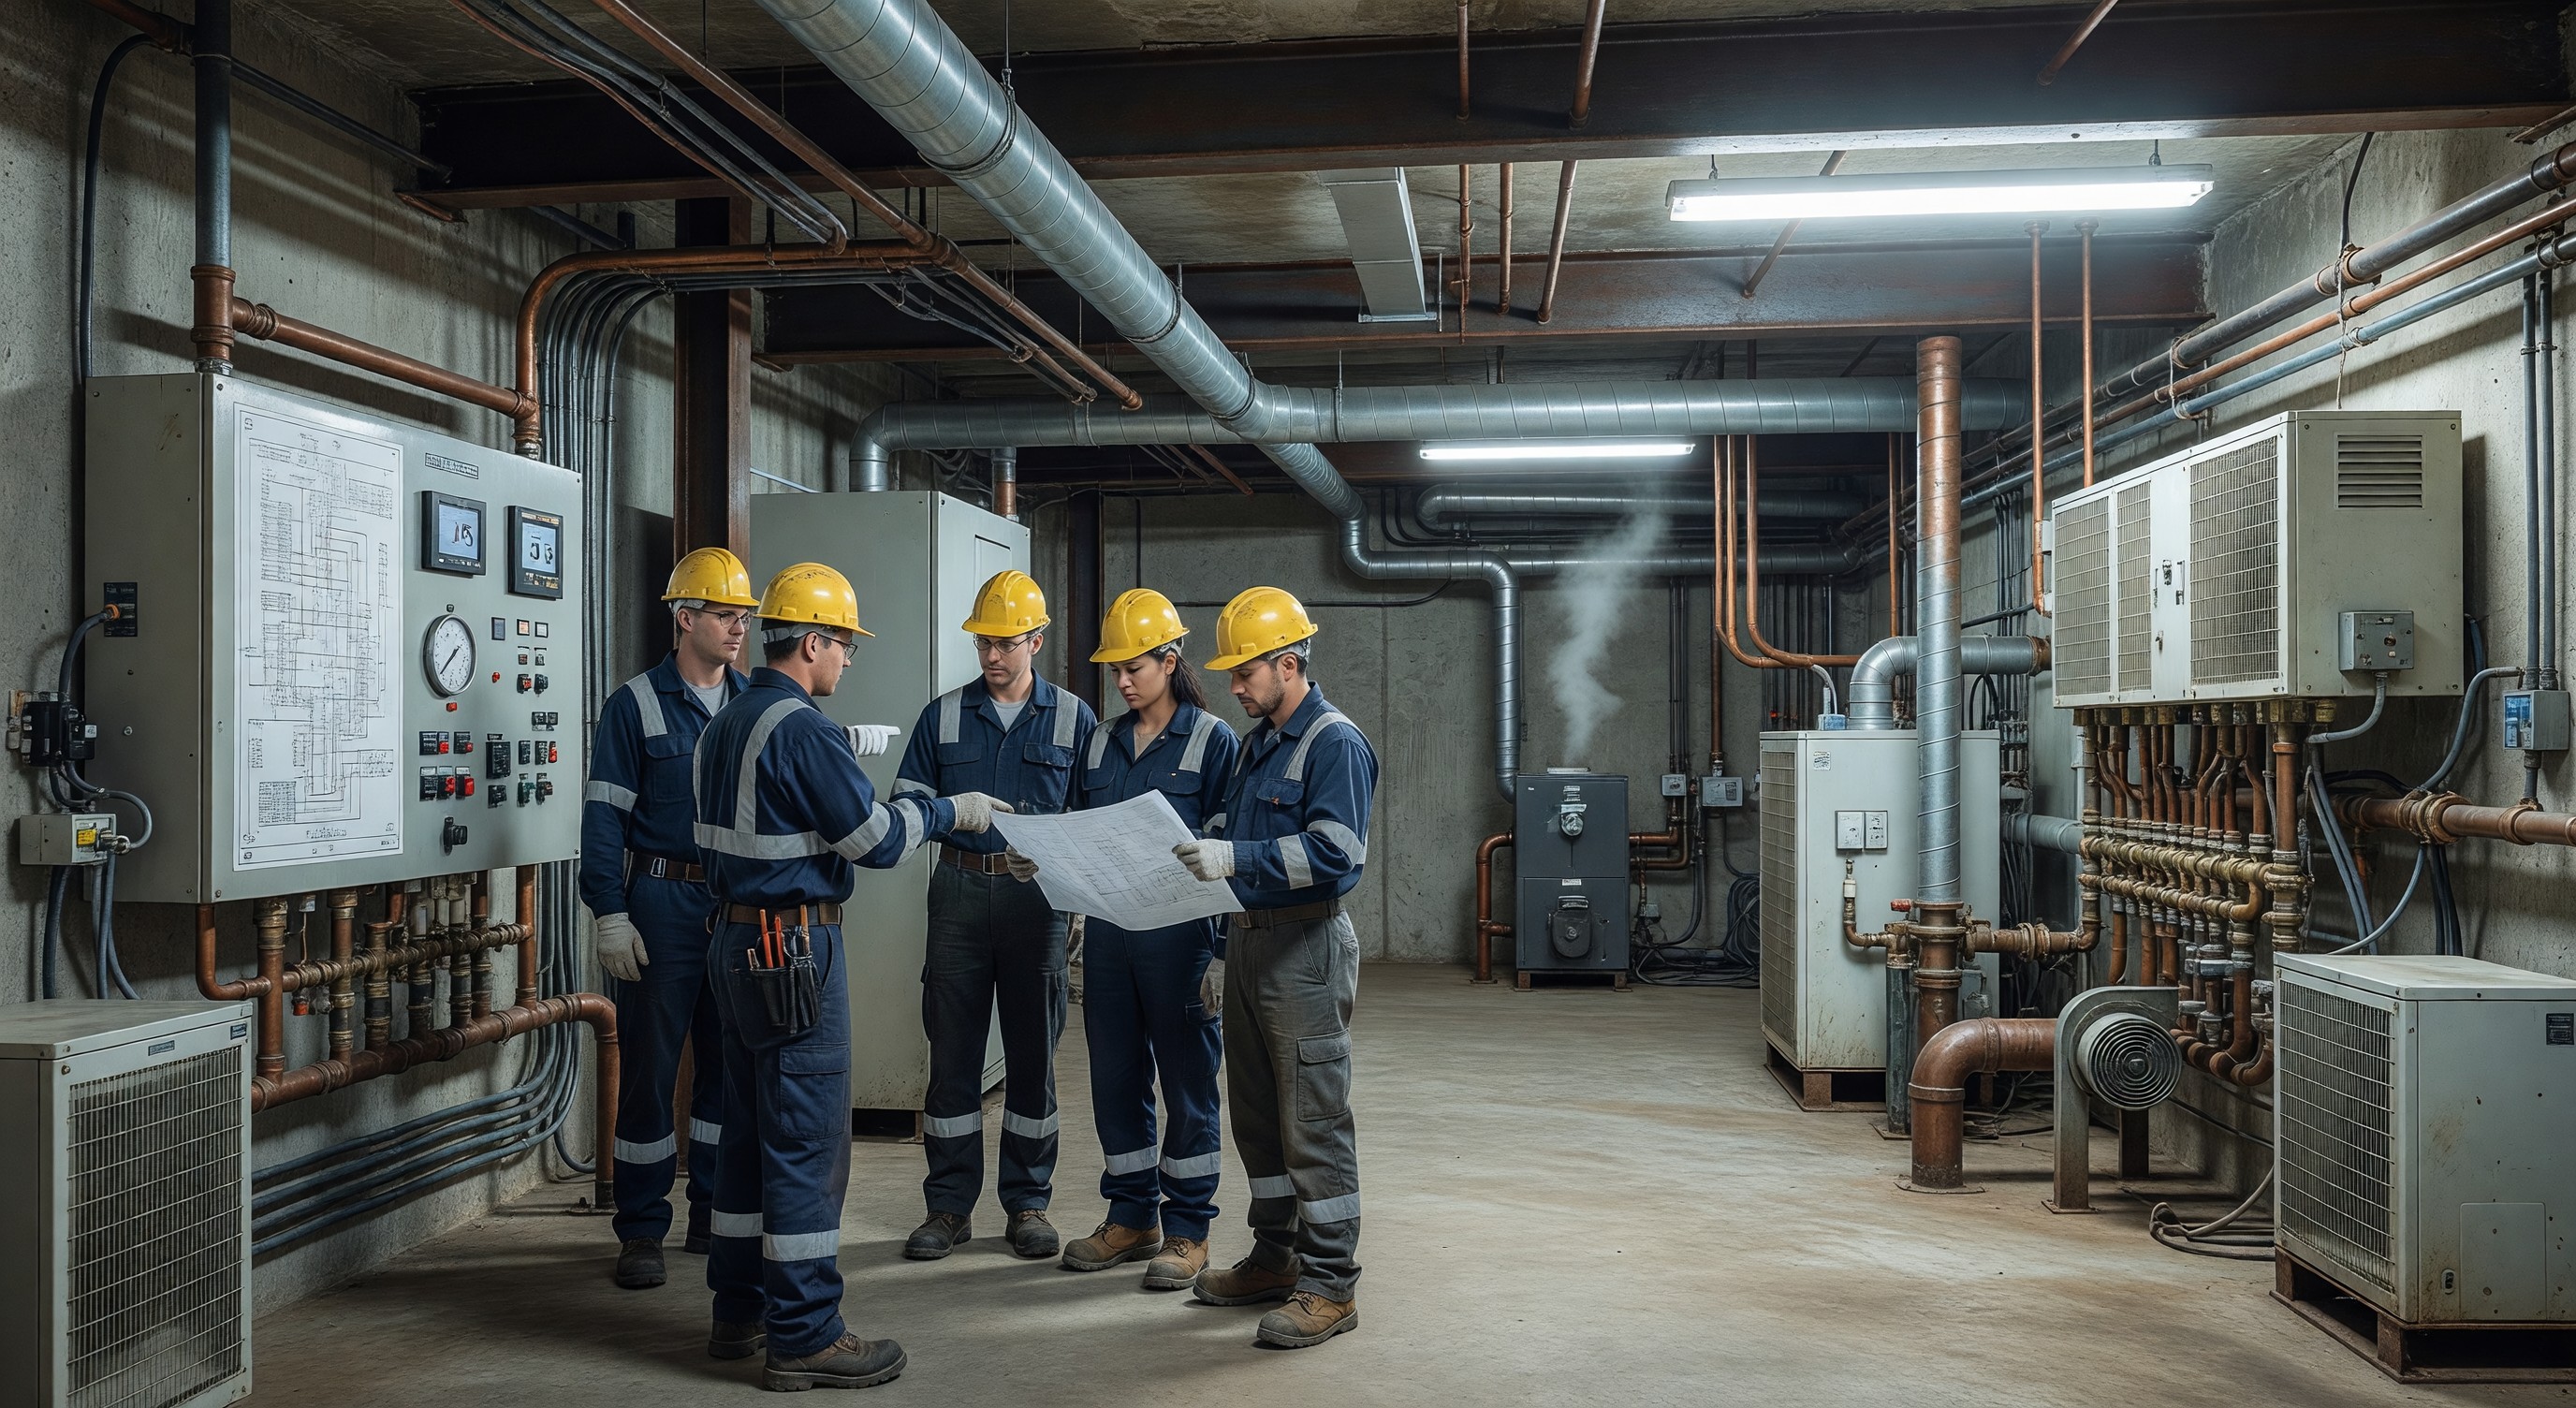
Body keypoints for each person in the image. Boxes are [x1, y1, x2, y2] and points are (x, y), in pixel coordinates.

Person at [695, 562, 1011, 1392]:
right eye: (845, 646)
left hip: (732, 945)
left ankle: (738, 1311)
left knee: (747, 1136)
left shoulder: (725, 721)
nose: (849, 662)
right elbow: (875, 840)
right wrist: (953, 810)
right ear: (812, 642)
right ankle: (804, 1334)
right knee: (805, 1142)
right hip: (793, 950)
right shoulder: (798, 729)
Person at [1016, 589, 1240, 1289]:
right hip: (1111, 934)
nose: (1119, 681)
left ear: (1171, 662)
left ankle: (1188, 1229)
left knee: (1188, 1082)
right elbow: (1081, 826)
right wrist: (1041, 856)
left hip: (1182, 940)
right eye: (1113, 669)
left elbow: (1232, 848)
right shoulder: (1103, 741)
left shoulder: (1214, 741)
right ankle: (1131, 1215)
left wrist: (1222, 957)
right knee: (1115, 1079)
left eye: (1133, 667)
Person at [1175, 586, 1377, 1349]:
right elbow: (1225, 842)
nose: (1233, 686)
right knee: (1258, 1118)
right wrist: (1224, 948)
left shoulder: (1334, 743)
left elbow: (1337, 853)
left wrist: (1237, 856)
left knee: (1312, 1121)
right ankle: (1274, 1257)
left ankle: (1331, 1285)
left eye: (1245, 672)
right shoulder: (1261, 742)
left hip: (1306, 949)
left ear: (1288, 664)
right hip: (1254, 941)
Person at [891, 569, 1100, 1261]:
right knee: (951, 1057)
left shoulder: (1073, 718)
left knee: (1034, 1057)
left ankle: (1029, 1202)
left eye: (1006, 642)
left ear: (1036, 641)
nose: (992, 656)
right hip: (957, 893)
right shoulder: (942, 716)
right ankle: (948, 1208)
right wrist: (954, 815)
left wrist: (1065, 883)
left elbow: (1094, 819)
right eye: (984, 642)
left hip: (1036, 906)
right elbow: (908, 808)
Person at [583, 547, 756, 1291]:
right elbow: (602, 820)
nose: (737, 628)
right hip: (660, 904)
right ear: (684, 618)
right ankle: (642, 1229)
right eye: (724, 615)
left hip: (734, 906)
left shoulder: (752, 701)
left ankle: (711, 1212)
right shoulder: (635, 706)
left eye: (744, 617)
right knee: (651, 1076)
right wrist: (610, 912)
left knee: (728, 1071)